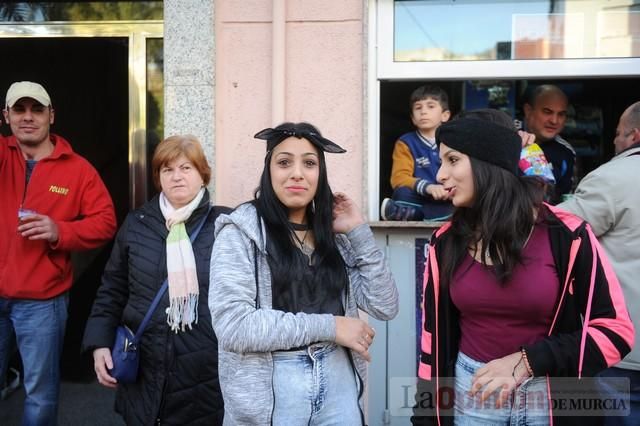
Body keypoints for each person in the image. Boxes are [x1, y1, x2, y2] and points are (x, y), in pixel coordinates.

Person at [411, 117, 634, 426]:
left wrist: (528, 361)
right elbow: (431, 339)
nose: (440, 175)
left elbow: (615, 331)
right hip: (472, 395)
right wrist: (425, 415)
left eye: (452, 160)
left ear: (488, 163)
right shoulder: (444, 243)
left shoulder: (568, 236)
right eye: (440, 161)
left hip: (553, 399)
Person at [209, 122, 399, 425]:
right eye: (284, 162)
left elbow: (384, 305)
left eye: (309, 163)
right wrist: (331, 326)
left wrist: (360, 233)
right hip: (271, 388)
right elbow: (234, 325)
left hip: (338, 380)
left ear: (320, 173)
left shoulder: (333, 235)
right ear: (268, 171)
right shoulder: (241, 231)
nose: (297, 172)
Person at [82, 135, 228, 424]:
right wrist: (99, 344)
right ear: (158, 177)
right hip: (144, 370)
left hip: (202, 374)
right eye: (167, 169)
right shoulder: (137, 224)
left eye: (186, 168)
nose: (177, 177)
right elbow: (112, 288)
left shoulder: (225, 226)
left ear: (203, 174)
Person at [0, 81, 117, 425]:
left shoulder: (76, 169)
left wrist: (59, 231)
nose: (28, 117)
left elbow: (106, 222)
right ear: (5, 116)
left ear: (51, 115)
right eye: (18, 110)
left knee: (40, 395)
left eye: (36, 109)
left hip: (42, 302)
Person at [558, 101, 640, 425]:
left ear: (634, 135)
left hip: (623, 352)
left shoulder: (612, 178)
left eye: (619, 135)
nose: (615, 142)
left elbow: (558, 234)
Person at [381, 85, 453, 221]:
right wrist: (428, 187)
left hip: (446, 196)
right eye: (418, 108)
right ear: (413, 118)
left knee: (465, 196)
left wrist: (449, 189)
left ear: (445, 115)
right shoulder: (406, 142)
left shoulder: (453, 141)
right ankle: (414, 214)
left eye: (430, 106)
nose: (423, 112)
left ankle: (413, 214)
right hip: (419, 197)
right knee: (402, 191)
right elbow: (399, 178)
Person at [523, 84, 576, 203]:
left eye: (561, 114)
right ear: (528, 111)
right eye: (547, 112)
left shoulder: (565, 152)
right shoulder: (509, 135)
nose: (554, 121)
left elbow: (564, 199)